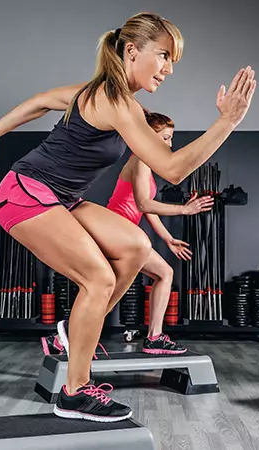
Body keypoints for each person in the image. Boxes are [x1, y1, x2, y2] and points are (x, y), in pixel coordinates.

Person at [0, 12, 257, 422]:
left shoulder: (105, 95)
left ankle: (74, 331)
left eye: (173, 60)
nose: (169, 69)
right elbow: (172, 169)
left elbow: (41, 100)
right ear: (132, 51)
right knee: (99, 278)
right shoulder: (118, 102)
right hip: (27, 194)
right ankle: (74, 392)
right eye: (163, 56)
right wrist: (227, 122)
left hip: (64, 198)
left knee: (137, 247)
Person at [41, 110, 214, 358]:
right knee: (160, 275)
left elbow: (145, 208)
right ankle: (153, 338)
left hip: (123, 233)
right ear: (149, 136)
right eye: (165, 138)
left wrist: (167, 238)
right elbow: (144, 203)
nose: (170, 143)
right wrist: (184, 210)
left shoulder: (146, 163)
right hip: (115, 232)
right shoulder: (141, 161)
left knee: (115, 289)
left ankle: (59, 340)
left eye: (171, 138)